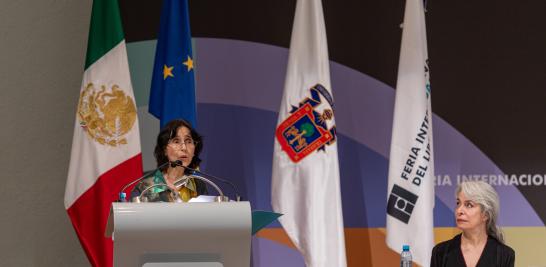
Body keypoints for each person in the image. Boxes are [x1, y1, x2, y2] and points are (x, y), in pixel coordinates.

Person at [430, 181, 515, 267]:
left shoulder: (504, 255)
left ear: (485, 214)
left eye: (469, 205)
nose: (459, 210)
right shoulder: (440, 252)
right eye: (458, 203)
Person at [131, 119, 207, 202]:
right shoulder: (146, 187)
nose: (184, 148)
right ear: (164, 150)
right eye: (176, 141)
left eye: (188, 141)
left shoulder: (198, 186)